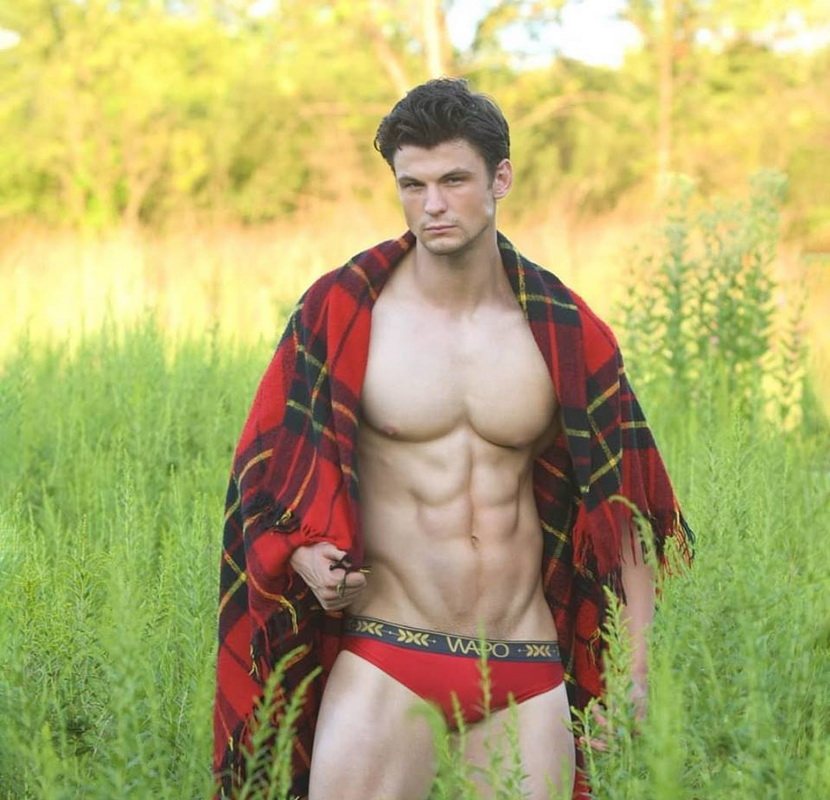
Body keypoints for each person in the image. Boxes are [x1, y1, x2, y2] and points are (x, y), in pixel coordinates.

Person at [213, 78, 693, 800]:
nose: (432, 204)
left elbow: (623, 514)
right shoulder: (344, 313)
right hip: (388, 653)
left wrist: (637, 672)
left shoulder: (564, 330)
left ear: (501, 178)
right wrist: (304, 554)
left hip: (524, 661)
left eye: (454, 181)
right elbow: (265, 480)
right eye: (413, 185)